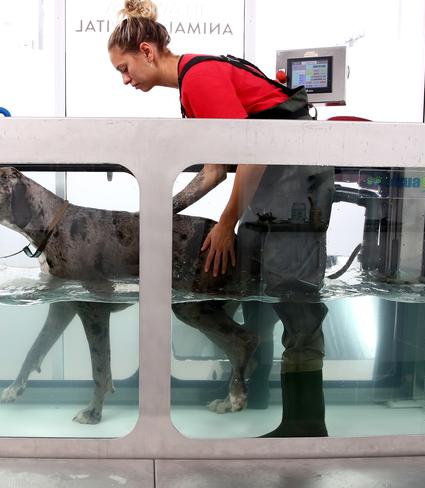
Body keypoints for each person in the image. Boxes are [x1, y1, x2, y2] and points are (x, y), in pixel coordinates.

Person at [108, 0, 335, 437]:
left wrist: (226, 223)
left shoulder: (201, 77)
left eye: (124, 67)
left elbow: (251, 153)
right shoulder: (190, 91)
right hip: (267, 192)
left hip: (295, 191)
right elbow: (214, 170)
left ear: (147, 51)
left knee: (297, 305)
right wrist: (153, 214)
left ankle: (306, 425)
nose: (124, 79)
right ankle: (267, 403)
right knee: (255, 295)